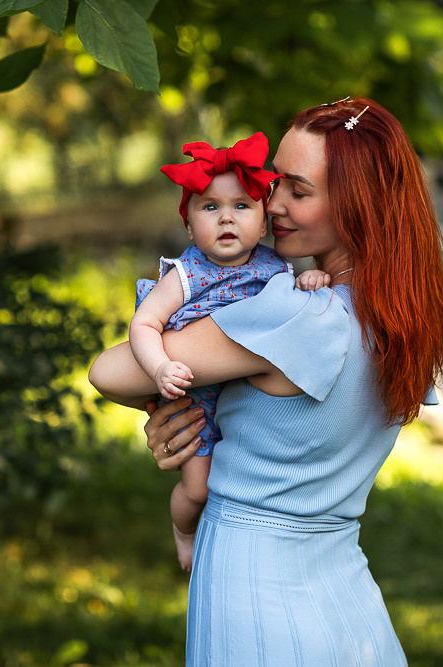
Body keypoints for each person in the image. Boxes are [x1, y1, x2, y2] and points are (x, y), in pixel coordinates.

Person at [89, 97, 443, 665]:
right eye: (273, 181)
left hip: (256, 590)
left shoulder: (294, 315)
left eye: (298, 192)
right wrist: (194, 416)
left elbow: (109, 371)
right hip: (347, 596)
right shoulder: (402, 317)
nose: (272, 203)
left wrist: (164, 398)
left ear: (359, 207)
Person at [130, 131, 333, 571]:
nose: (226, 219)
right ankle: (184, 533)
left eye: (241, 206)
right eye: (210, 207)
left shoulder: (275, 267)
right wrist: (161, 366)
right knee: (198, 489)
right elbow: (144, 323)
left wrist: (310, 280)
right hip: (197, 398)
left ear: (263, 223)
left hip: (245, 395)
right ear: (188, 225)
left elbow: (289, 298)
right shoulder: (186, 274)